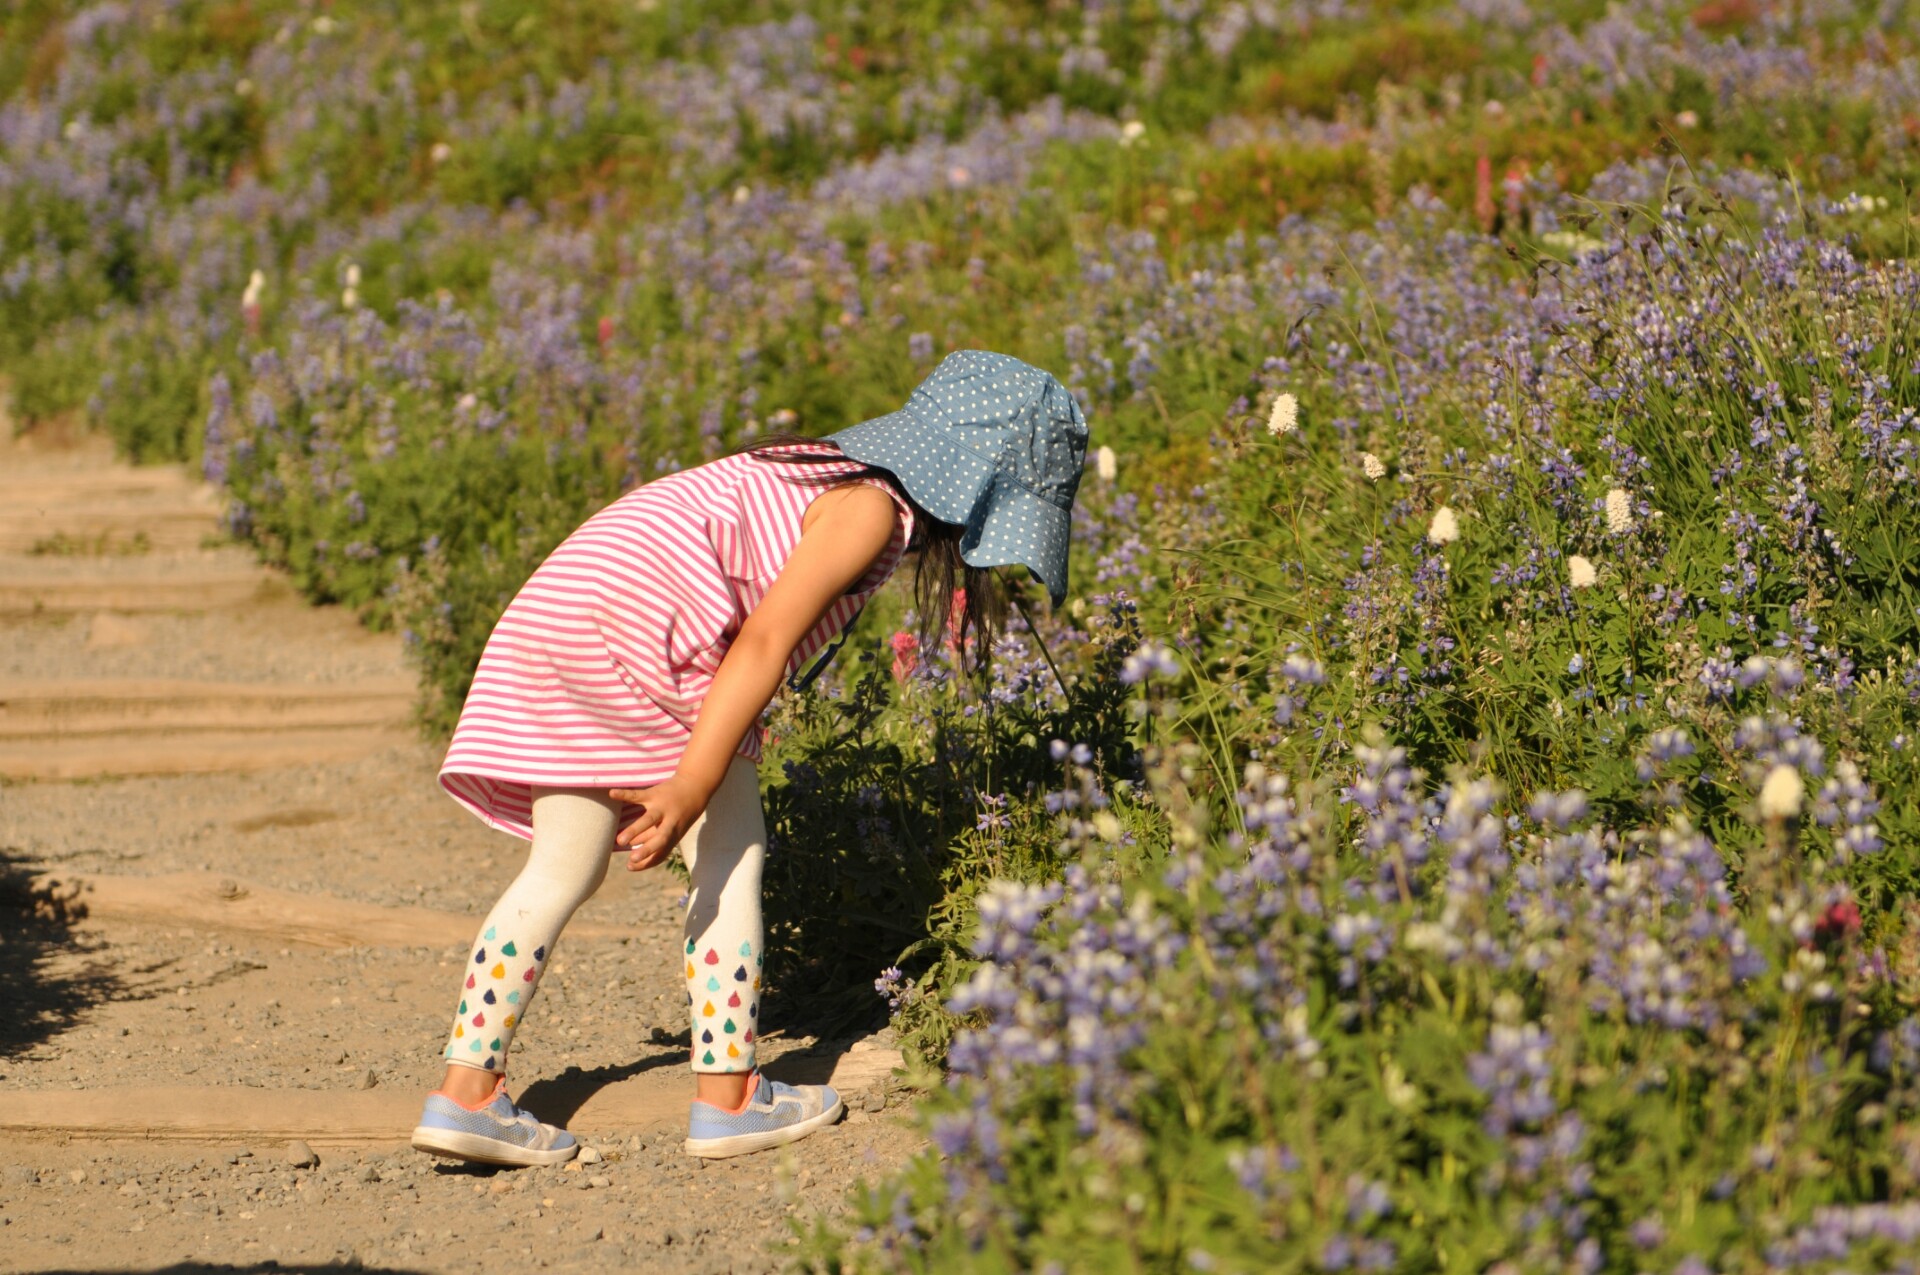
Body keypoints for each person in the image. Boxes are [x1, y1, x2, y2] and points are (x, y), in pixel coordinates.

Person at [409, 348, 1089, 1164]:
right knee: (731, 853)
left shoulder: (817, 473)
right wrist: (694, 779)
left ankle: (465, 1091)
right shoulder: (868, 508)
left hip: (570, 601)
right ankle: (728, 1096)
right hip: (648, 631)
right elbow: (763, 641)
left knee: (561, 866)